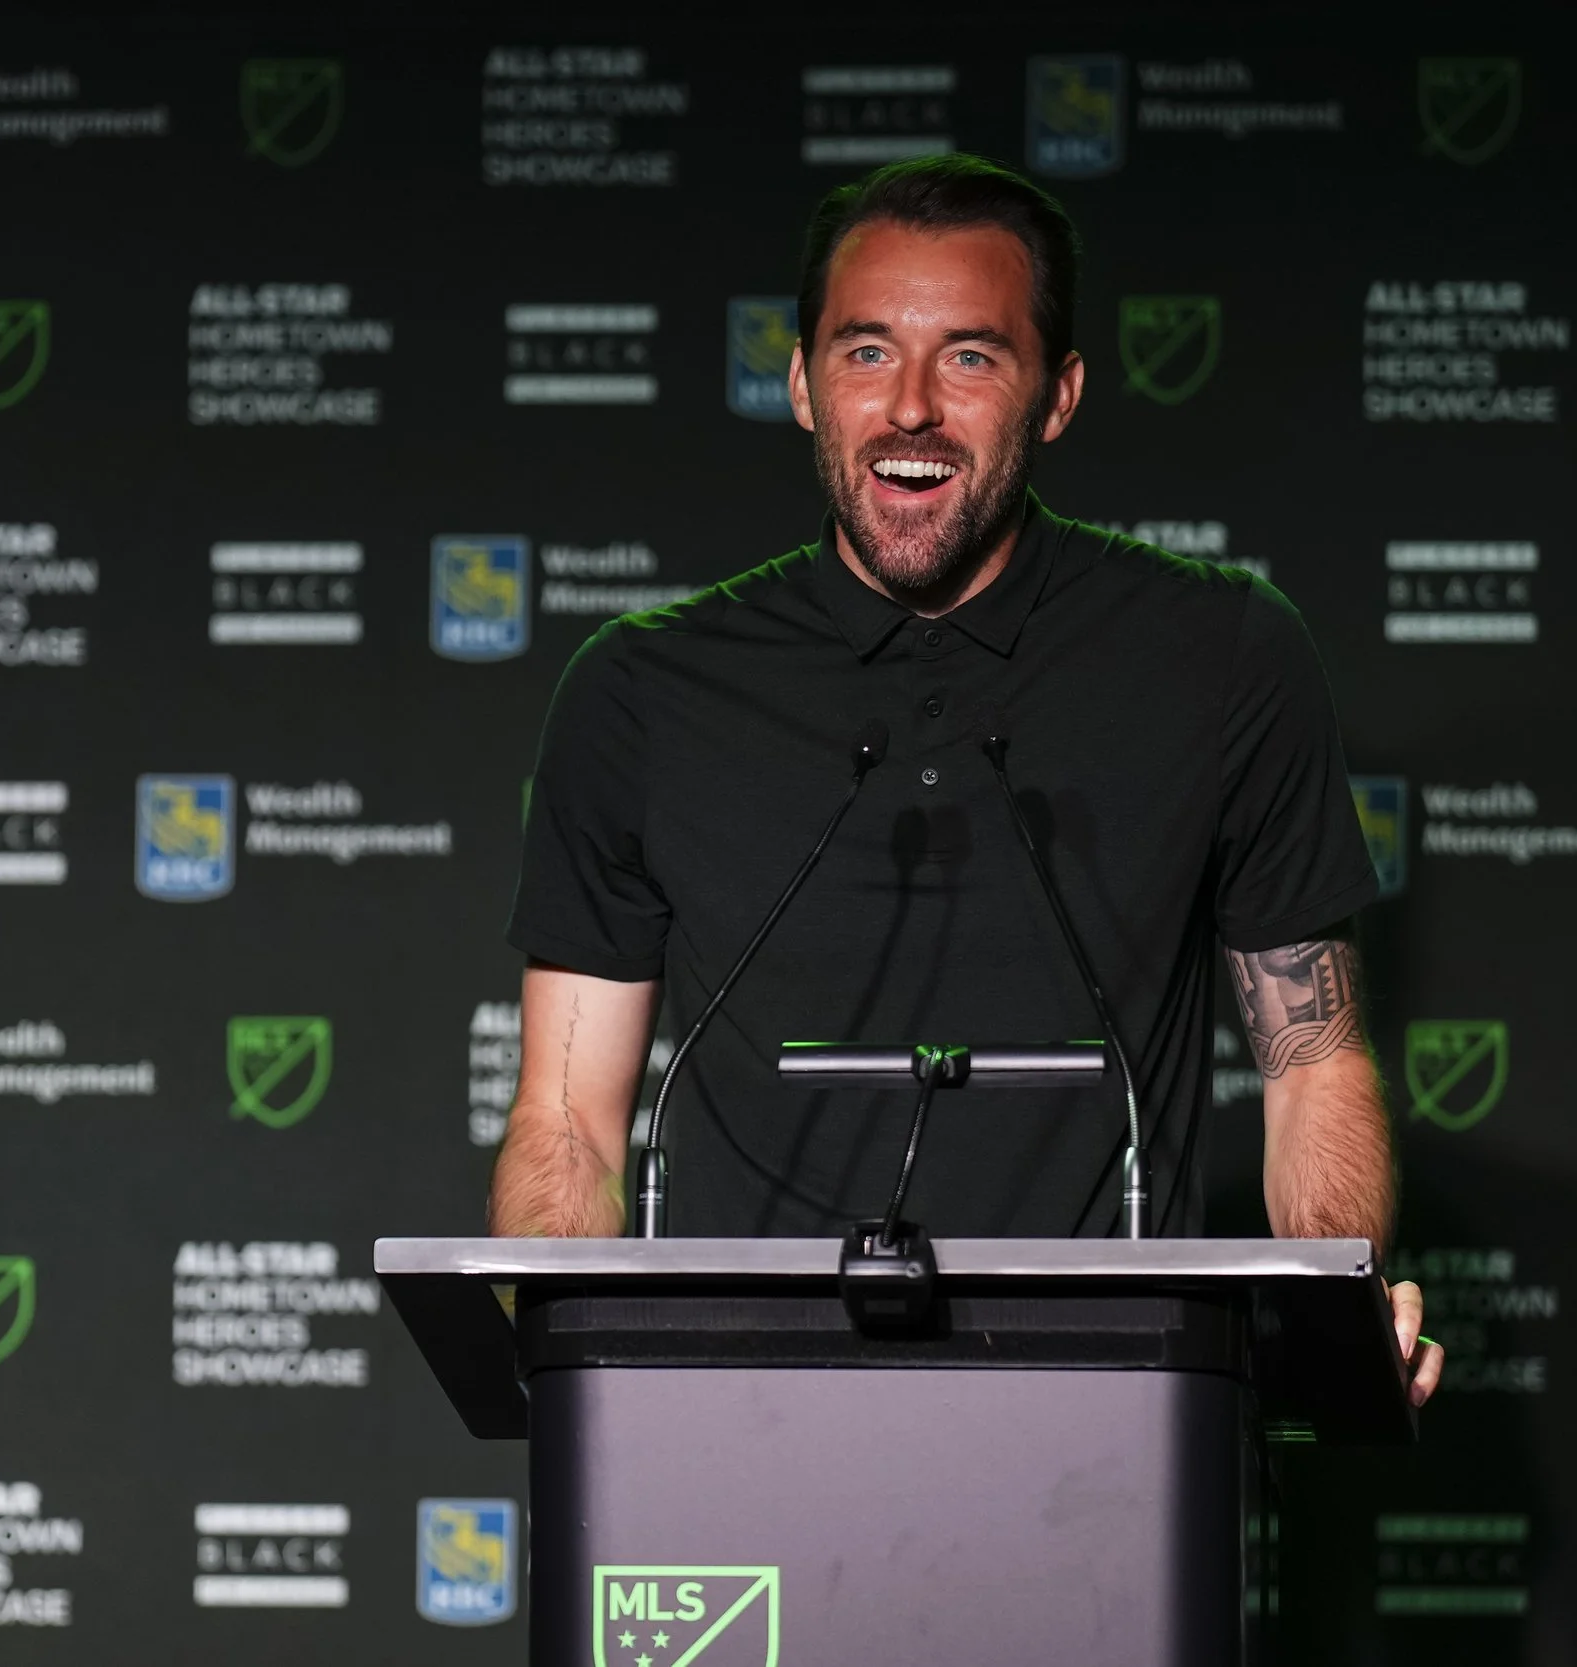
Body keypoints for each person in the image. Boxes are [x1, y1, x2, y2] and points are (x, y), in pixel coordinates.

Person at [487, 154, 1442, 1407]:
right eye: (866, 353)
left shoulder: (1221, 654)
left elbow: (1311, 1056)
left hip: (1111, 1407)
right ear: (799, 384)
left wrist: (1336, 1305)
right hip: (732, 1411)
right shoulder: (640, 691)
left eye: (974, 357)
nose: (912, 408)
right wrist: (575, 1368)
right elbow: (567, 1118)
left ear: (1058, 396)